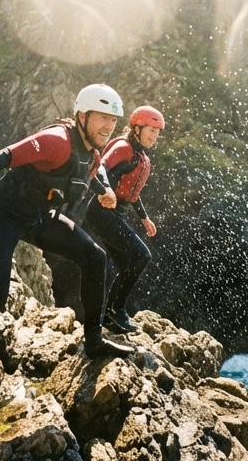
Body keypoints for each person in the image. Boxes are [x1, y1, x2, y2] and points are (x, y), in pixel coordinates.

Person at [0, 83, 132, 359]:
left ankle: (94, 341)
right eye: (103, 118)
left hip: (39, 219)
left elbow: (91, 170)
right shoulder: (56, 141)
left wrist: (104, 191)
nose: (109, 126)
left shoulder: (91, 150)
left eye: (114, 120)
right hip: (3, 216)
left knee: (95, 258)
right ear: (82, 116)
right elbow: (3, 157)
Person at [85, 105, 164, 333]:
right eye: (151, 130)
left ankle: (111, 316)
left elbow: (132, 193)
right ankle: (116, 312)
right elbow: (100, 168)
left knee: (130, 263)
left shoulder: (140, 156)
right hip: (102, 212)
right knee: (141, 256)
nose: (154, 136)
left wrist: (144, 218)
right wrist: (104, 190)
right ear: (137, 128)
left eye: (157, 132)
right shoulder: (123, 147)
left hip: (113, 214)